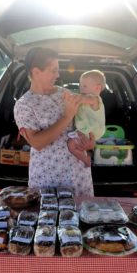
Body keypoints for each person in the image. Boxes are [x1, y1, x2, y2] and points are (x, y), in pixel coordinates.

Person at [14, 47, 95, 197]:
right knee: (48, 218)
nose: (58, 75)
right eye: (53, 70)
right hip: (48, 178)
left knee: (81, 216)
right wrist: (66, 117)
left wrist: (88, 143)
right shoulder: (24, 104)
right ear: (36, 72)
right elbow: (37, 143)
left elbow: (81, 126)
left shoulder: (65, 94)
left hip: (77, 174)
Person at [67, 70, 106, 167]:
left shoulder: (95, 99)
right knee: (74, 144)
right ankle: (87, 155)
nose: (81, 89)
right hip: (87, 129)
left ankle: (86, 159)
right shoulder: (84, 100)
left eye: (84, 86)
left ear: (97, 88)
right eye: (80, 86)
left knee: (71, 144)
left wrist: (70, 97)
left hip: (93, 130)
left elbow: (82, 99)